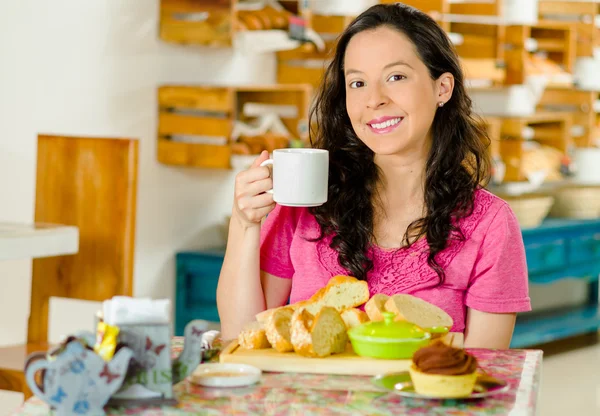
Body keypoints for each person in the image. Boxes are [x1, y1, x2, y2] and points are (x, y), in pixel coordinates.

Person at [217, 3, 531, 348]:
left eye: (396, 77)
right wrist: (244, 224)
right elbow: (241, 335)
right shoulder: (306, 202)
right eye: (358, 82)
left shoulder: (491, 224)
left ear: (442, 88)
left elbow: (480, 364)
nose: (374, 99)